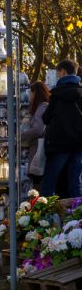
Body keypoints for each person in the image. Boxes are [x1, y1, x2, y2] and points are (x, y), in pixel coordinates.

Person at [41, 59, 82, 199]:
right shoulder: (80, 93)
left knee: (49, 182)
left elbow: (46, 118)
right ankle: (77, 216)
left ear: (63, 72)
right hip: (78, 145)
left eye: (58, 73)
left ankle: (42, 216)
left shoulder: (57, 94)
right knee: (75, 182)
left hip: (59, 144)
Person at [22, 82, 50, 185]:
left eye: (31, 93)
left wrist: (21, 135)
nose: (30, 95)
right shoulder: (42, 107)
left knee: (39, 182)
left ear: (36, 93)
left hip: (39, 150)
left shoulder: (42, 107)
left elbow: (38, 130)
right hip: (39, 150)